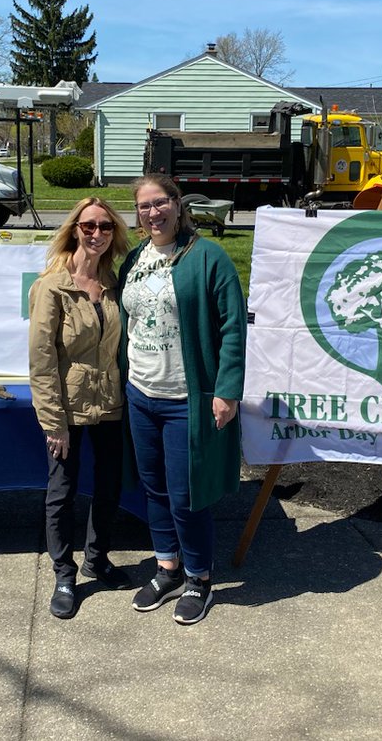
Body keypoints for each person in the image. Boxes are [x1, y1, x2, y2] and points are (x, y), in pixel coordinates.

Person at [118, 174, 247, 626]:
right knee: (152, 488)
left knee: (187, 493)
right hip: (140, 393)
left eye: (161, 203)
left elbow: (233, 326)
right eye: (144, 206)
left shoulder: (209, 257)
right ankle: (167, 566)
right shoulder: (134, 259)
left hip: (185, 397)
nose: (153, 213)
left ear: (178, 205)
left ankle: (198, 577)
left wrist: (227, 389)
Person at [28, 197, 133, 619]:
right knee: (62, 492)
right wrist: (54, 423)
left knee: (109, 486)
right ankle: (64, 573)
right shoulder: (52, 286)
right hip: (66, 410)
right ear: (74, 229)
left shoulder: (113, 283)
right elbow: (41, 359)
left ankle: (96, 558)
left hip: (110, 403)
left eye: (105, 226)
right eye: (88, 225)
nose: (97, 233)